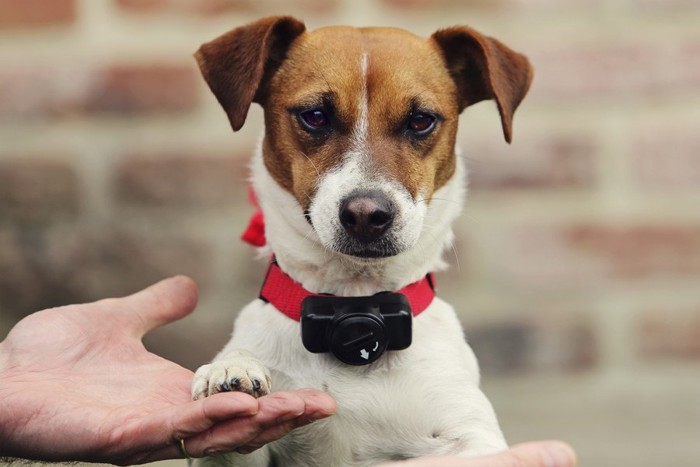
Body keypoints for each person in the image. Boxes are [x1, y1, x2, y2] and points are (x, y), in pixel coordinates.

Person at [0, 276, 576, 467]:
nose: (364, 195)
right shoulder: (252, 347)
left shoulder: (443, 346)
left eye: (418, 123)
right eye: (317, 117)